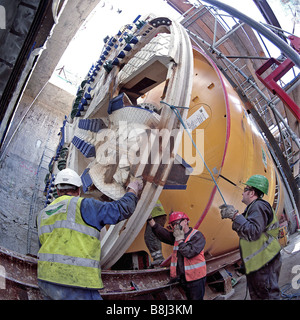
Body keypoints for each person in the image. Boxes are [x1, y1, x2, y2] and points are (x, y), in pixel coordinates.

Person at [37, 168, 143, 300]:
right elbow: (122, 209)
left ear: (58, 191)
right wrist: (133, 189)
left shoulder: (42, 215)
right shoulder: (85, 205)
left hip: (45, 281)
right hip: (75, 282)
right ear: (78, 191)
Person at [219, 174, 282, 300]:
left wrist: (235, 216)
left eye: (245, 189)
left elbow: (253, 232)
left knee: (268, 296)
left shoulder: (258, 206)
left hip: (264, 262)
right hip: (262, 262)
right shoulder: (253, 208)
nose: (242, 193)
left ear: (252, 192)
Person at [148, 211, 206, 300]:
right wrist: (151, 221)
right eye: (172, 225)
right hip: (183, 278)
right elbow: (164, 234)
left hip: (196, 279)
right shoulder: (176, 236)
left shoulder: (197, 236)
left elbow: (189, 253)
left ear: (185, 221)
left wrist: (180, 240)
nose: (175, 227)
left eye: (176, 223)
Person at [144, 200, 167, 267]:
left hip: (156, 215)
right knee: (154, 237)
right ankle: (159, 259)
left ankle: (159, 259)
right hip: (158, 214)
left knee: (150, 237)